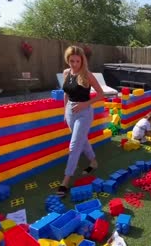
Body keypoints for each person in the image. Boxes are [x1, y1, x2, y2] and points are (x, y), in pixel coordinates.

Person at [57, 45, 104, 197]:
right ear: (68, 60)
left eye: (77, 61)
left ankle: (65, 180)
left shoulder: (87, 74)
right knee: (81, 140)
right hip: (70, 112)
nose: (74, 64)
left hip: (84, 112)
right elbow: (66, 93)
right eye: (72, 61)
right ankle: (94, 162)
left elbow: (101, 94)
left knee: (74, 145)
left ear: (82, 61)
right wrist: (65, 111)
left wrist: (85, 103)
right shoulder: (66, 73)